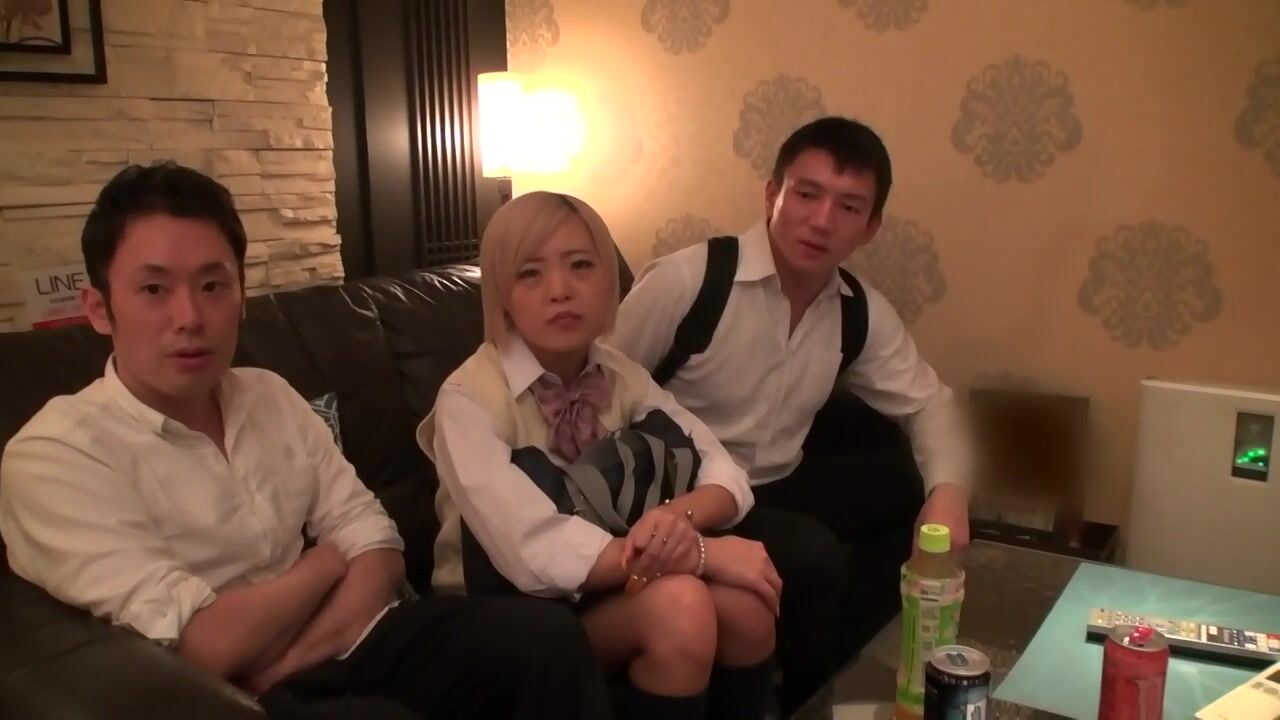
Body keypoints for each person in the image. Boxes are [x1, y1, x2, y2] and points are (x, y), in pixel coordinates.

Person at [0, 162, 615, 720]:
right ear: (98, 308)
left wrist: (293, 655)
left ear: (241, 296)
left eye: (213, 286)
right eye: (154, 290)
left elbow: (377, 543)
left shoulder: (267, 393)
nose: (189, 317)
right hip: (220, 695)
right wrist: (323, 563)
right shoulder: (57, 454)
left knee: (545, 640)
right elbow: (205, 645)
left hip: (344, 637)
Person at [609, 116, 973, 712]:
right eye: (806, 194)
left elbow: (929, 401)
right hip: (680, 494)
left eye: (849, 207)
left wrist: (949, 495)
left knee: (912, 488)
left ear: (870, 227)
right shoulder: (691, 282)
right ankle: (809, 700)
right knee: (812, 554)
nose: (822, 220)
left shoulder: (856, 310)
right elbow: (600, 388)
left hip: (775, 481)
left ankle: (855, 674)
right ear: (772, 193)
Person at [417, 191, 780, 720]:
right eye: (530, 273)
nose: (560, 290)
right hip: (498, 610)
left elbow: (724, 472)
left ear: (609, 279)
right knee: (681, 607)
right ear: (501, 294)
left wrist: (674, 520)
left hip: (604, 581)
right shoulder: (467, 399)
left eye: (581, 265)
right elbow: (535, 554)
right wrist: (701, 554)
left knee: (748, 607)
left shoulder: (620, 374)